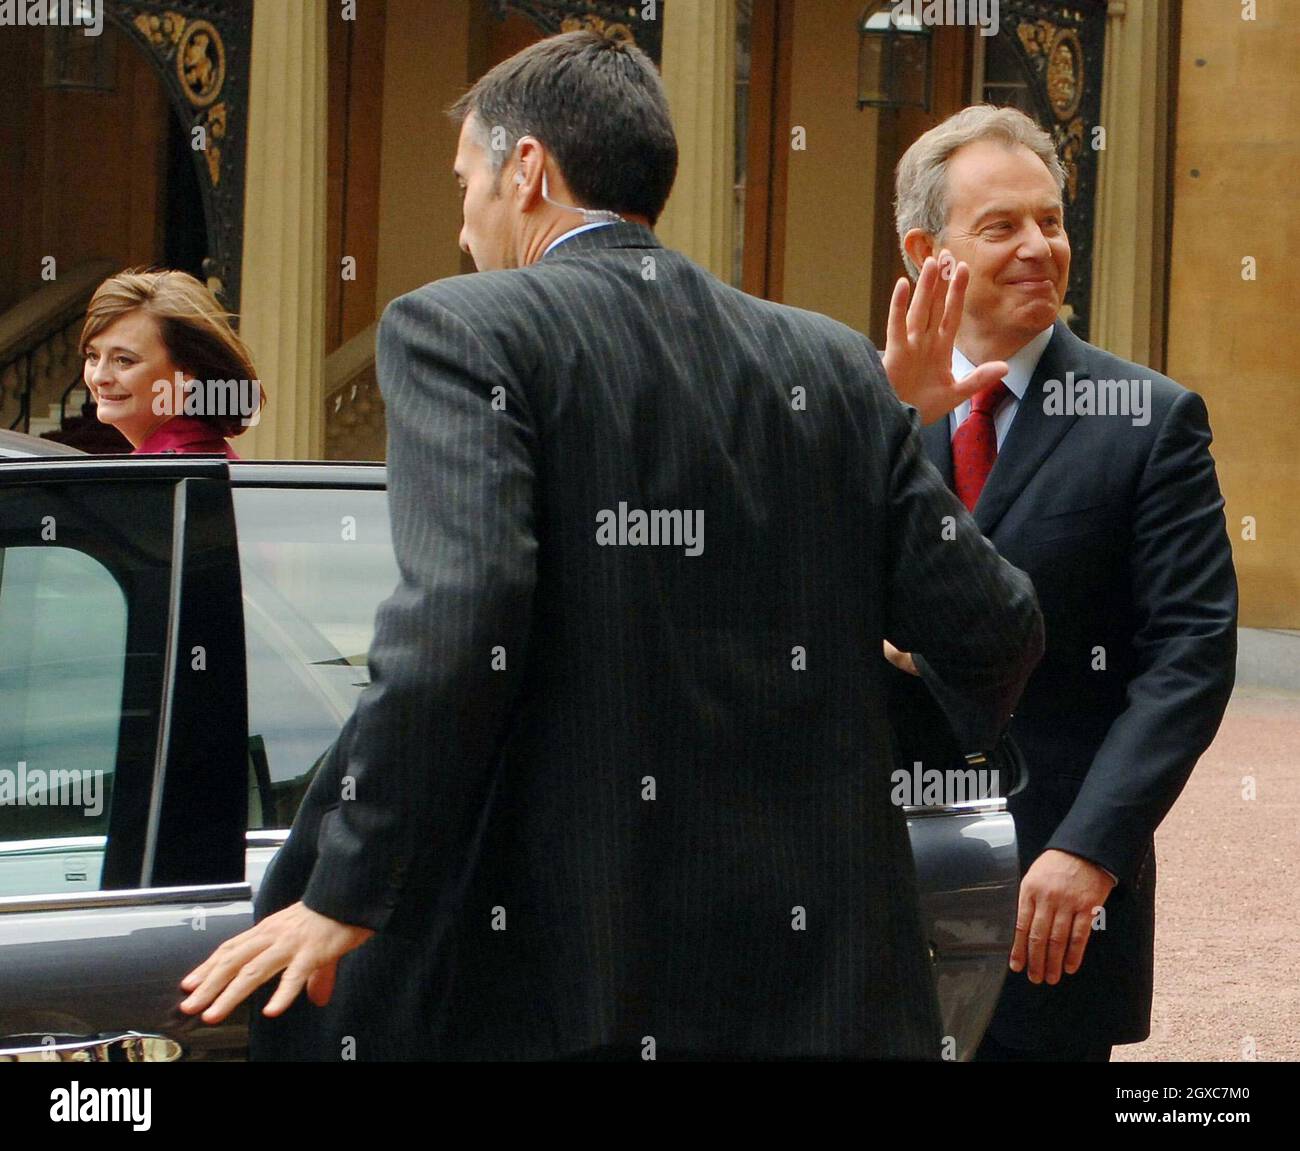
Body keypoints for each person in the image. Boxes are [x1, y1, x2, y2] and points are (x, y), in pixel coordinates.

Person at [178, 31, 1043, 1061]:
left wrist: (350, 887)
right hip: (827, 994)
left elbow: (462, 612)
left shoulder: (462, 330)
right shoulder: (830, 360)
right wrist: (870, 717)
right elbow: (995, 625)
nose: (463, 227)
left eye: (468, 185)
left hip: (567, 994)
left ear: (529, 169)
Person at [881, 105, 1237, 1061]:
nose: (1040, 246)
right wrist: (886, 422)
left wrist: (1092, 849)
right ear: (926, 249)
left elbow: (1190, 658)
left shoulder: (1151, 422)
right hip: (871, 890)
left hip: (1054, 899)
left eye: (1052, 220)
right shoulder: (860, 405)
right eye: (1002, 226)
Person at [79, 269, 263, 457]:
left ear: (187, 369)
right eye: (93, 356)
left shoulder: (165, 474)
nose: (99, 377)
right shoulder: (198, 454)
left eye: (124, 360)